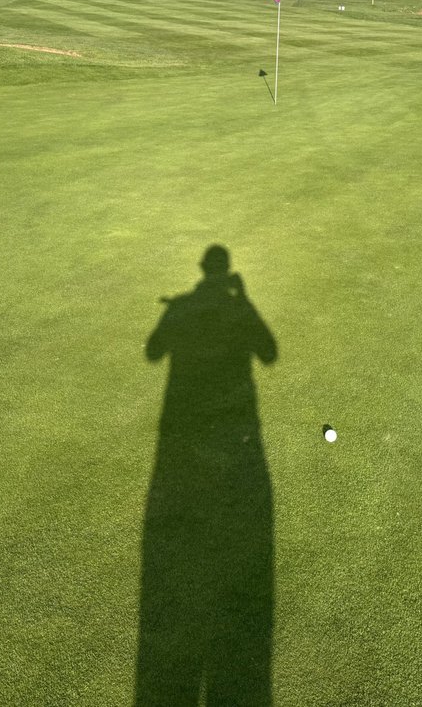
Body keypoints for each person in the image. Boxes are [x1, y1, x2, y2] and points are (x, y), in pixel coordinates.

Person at [135, 245, 277, 706]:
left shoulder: (181, 308)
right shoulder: (237, 310)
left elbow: (153, 352)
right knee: (232, 514)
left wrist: (173, 312)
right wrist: (246, 300)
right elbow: (269, 352)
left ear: (201, 270)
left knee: (187, 512)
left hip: (184, 430)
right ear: (229, 273)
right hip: (234, 431)